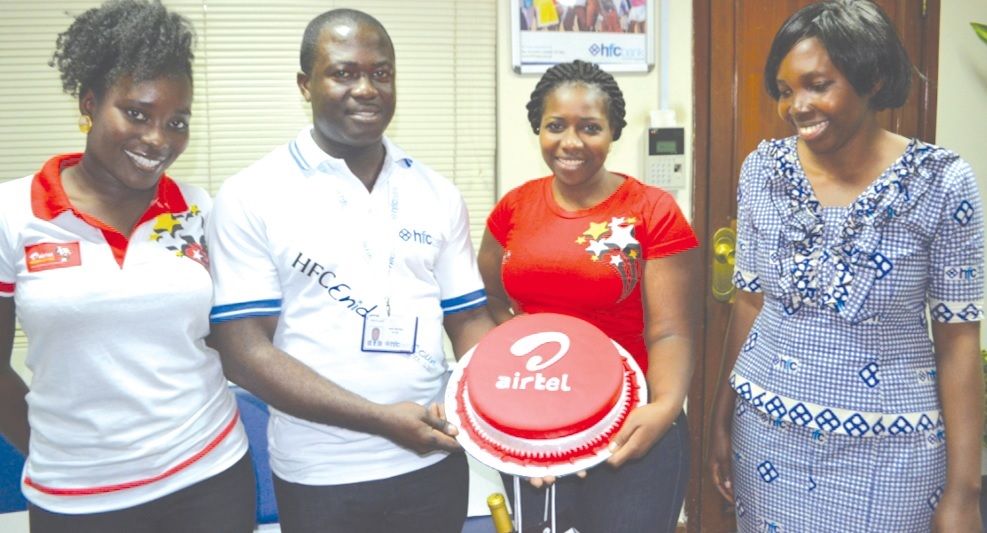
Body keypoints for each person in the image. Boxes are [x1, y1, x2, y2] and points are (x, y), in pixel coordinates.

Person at [204, 8, 496, 533]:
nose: (366, 88)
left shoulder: (436, 192)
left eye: (381, 73)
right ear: (305, 84)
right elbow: (244, 354)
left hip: (435, 458)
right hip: (322, 475)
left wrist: (513, 423)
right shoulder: (251, 195)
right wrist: (383, 420)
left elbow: (468, 320)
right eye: (344, 72)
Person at [707, 1, 984, 532]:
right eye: (785, 90)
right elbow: (748, 301)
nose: (796, 106)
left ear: (873, 78)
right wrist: (721, 418)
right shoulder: (762, 170)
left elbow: (958, 341)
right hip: (765, 439)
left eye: (818, 84)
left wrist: (964, 494)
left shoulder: (942, 183)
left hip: (894, 452)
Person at [0, 1, 255, 532]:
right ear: (90, 102)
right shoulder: (13, 213)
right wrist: (59, 452)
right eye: (137, 113)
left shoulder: (200, 209)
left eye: (176, 121)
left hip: (208, 476)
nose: (158, 138)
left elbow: (231, 343)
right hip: (76, 499)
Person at [476, 59, 699, 533]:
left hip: (632, 425)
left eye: (590, 128)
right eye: (556, 126)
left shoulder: (652, 212)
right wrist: (518, 384)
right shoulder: (514, 207)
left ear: (613, 131)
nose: (571, 143)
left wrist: (663, 409)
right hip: (536, 426)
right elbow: (492, 301)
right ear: (538, 128)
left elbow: (671, 331)